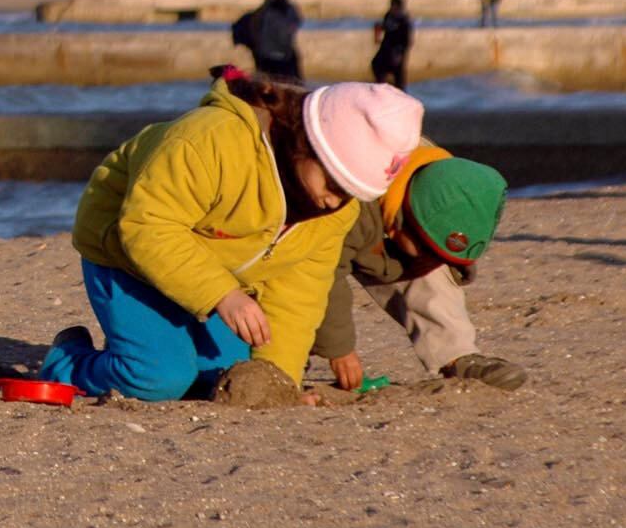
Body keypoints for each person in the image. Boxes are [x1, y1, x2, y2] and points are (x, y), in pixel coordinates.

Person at [39, 72, 423, 402]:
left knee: (230, 376)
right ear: (307, 144)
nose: (334, 202)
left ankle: (142, 343)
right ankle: (66, 361)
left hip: (216, 276)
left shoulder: (337, 212)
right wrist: (222, 295)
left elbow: (297, 296)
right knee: (159, 378)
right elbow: (148, 226)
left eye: (352, 192)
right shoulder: (210, 141)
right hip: (126, 256)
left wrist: (279, 385)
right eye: (334, 184)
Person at [312, 151, 524, 392]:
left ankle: (456, 355)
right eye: (425, 247)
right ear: (402, 222)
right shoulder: (351, 201)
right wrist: (340, 351)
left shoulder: (443, 181)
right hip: (301, 230)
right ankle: (282, 364)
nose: (430, 259)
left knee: (428, 268)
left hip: (385, 216)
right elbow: (321, 274)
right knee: (298, 283)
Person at [233, 0, 304, 80]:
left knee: (272, 77)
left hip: (269, 53)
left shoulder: (263, 12)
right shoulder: (270, 12)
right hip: (273, 54)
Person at [371, 0, 413, 90]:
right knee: (376, 65)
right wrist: (377, 33)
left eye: (395, 6)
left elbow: (407, 41)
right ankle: (382, 88)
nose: (392, 8)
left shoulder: (404, 20)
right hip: (385, 50)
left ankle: (398, 92)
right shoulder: (389, 15)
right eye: (392, 5)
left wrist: (400, 54)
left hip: (397, 53)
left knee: (399, 81)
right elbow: (384, 27)